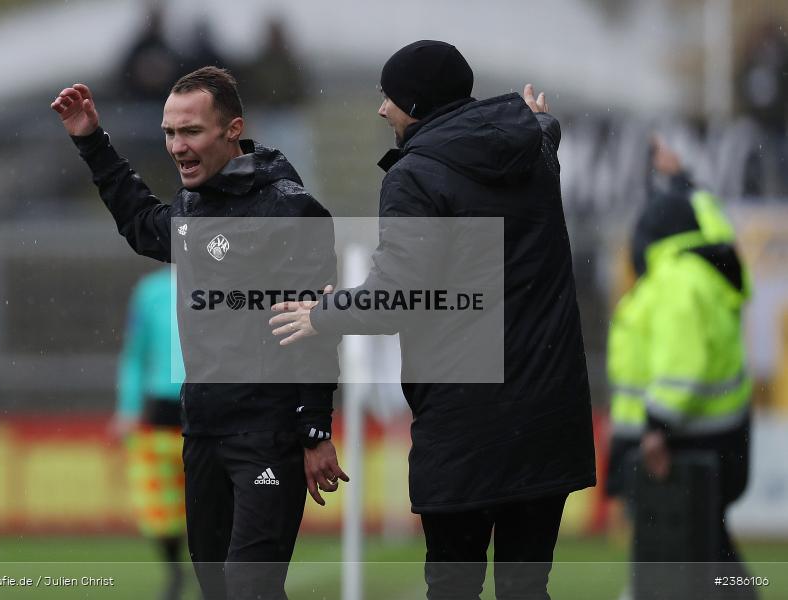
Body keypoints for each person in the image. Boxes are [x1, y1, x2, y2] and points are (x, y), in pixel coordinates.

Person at [270, 40, 596, 600]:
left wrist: (323, 313)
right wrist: (541, 123)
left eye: (389, 96)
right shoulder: (535, 151)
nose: (381, 109)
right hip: (548, 411)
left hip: (467, 419)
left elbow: (400, 294)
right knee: (526, 586)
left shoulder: (416, 175)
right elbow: (540, 134)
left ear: (416, 104)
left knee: (452, 583)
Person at [51, 66, 347, 600]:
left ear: (233, 130)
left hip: (267, 435)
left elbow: (315, 328)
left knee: (250, 588)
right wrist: (91, 140)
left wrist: (315, 428)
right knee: (215, 588)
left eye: (191, 132)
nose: (176, 146)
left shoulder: (289, 208)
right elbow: (143, 224)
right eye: (169, 132)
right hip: (203, 431)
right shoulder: (192, 207)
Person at [606, 137, 754, 597]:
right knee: (709, 552)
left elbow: (680, 370)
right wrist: (683, 183)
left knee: (682, 557)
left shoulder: (675, 281)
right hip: (711, 437)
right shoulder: (707, 267)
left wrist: (656, 426)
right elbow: (714, 231)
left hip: (674, 441)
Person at [113, 267, 191, 600]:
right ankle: (175, 571)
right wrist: (128, 408)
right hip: (163, 411)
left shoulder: (231, 280)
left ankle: (212, 575)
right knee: (160, 508)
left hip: (215, 408)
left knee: (216, 503)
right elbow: (135, 354)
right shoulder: (151, 291)